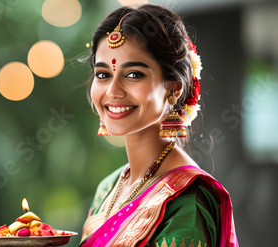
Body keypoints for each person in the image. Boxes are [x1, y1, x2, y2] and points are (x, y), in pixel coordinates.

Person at [80, 4, 238, 247]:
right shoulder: (109, 187)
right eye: (103, 75)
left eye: (133, 74)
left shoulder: (186, 198)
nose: (112, 91)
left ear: (173, 88)